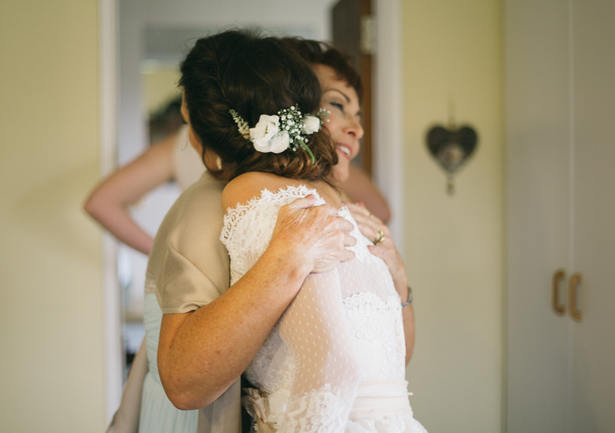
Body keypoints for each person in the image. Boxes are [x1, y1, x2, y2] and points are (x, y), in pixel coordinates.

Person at [163, 30, 423, 432]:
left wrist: (400, 282)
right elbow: (185, 381)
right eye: (334, 105)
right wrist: (286, 260)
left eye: (359, 113)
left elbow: (383, 362)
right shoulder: (228, 203)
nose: (357, 129)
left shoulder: (341, 207)